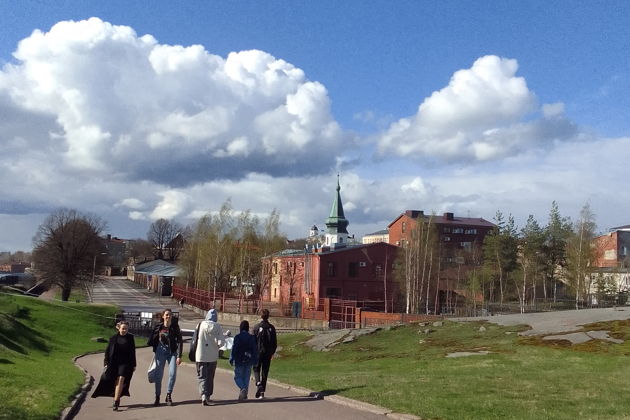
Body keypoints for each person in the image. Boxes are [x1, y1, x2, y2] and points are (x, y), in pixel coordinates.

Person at [91, 321, 137, 411]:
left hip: (125, 363)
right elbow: (107, 351)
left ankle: (116, 401)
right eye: (123, 328)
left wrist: (134, 364)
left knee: (121, 379)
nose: (124, 330)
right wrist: (105, 363)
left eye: (126, 329)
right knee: (114, 380)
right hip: (114, 363)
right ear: (119, 328)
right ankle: (117, 396)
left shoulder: (130, 338)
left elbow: (133, 352)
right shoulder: (113, 338)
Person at [147, 308, 183, 406]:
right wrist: (154, 347)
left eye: (170, 315)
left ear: (171, 316)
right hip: (160, 351)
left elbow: (180, 341)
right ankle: (157, 396)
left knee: (172, 374)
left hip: (172, 352)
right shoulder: (159, 326)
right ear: (163, 316)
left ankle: (168, 395)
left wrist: (179, 356)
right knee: (159, 376)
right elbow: (152, 338)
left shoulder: (175, 327)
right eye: (166, 315)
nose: (168, 316)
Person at [191, 308, 224, 406]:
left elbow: (195, 339)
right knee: (210, 376)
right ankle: (208, 395)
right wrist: (216, 345)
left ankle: (203, 395)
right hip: (212, 356)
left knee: (202, 376)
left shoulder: (200, 325)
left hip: (200, 355)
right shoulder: (218, 327)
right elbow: (221, 342)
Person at [229, 320, 258, 400]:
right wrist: (255, 360)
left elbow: (234, 349)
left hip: (239, 359)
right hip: (248, 360)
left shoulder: (237, 337)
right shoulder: (251, 338)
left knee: (237, 377)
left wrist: (231, 358)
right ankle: (244, 394)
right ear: (248, 328)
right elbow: (254, 350)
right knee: (246, 377)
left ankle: (242, 389)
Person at [253, 308, 277, 399]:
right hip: (267, 353)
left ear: (260, 316)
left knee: (256, 369)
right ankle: (262, 393)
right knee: (265, 371)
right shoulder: (272, 328)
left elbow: (253, 340)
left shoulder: (256, 327)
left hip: (258, 352)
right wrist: (272, 352)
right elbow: (274, 342)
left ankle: (258, 383)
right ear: (268, 316)